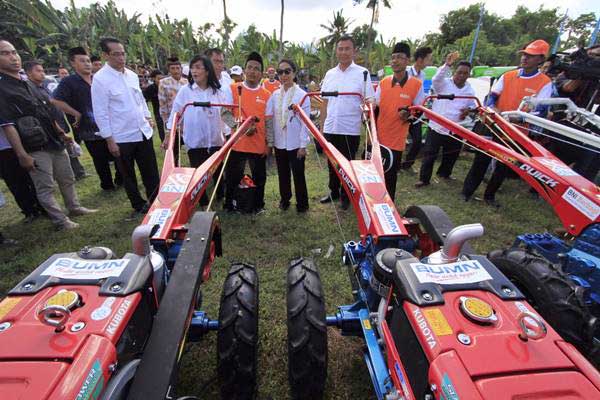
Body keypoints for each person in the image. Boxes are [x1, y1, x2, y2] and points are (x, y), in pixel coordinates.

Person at [0, 40, 97, 230]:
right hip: (33, 146)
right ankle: (60, 220)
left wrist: (62, 133)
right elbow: (8, 125)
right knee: (45, 186)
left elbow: (45, 111)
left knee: (67, 177)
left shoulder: (28, 82)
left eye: (14, 52)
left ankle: (74, 207)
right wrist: (22, 154)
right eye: (5, 53)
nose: (13, 57)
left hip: (54, 140)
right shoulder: (3, 89)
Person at [462, 39, 553, 207]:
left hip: (516, 133)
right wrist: (493, 109)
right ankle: (467, 192)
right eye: (524, 55)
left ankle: (489, 196)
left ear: (540, 59)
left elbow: (541, 110)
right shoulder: (508, 76)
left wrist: (521, 118)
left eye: (530, 56)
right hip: (494, 126)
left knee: (503, 166)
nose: (525, 58)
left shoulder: (545, 83)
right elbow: (492, 97)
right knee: (481, 160)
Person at [91, 37, 160, 215]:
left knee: (150, 171)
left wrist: (147, 116)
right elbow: (100, 112)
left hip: (142, 132)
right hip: (121, 137)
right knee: (128, 174)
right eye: (116, 54)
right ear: (105, 55)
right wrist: (109, 139)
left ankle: (156, 200)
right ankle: (138, 204)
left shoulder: (132, 75)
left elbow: (140, 100)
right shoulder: (100, 80)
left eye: (123, 54)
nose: (121, 58)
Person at [53, 46, 122, 191]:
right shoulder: (69, 82)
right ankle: (107, 184)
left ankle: (120, 179)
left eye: (88, 61)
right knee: (100, 158)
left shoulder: (98, 79)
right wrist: (75, 113)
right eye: (82, 61)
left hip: (110, 124)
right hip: (89, 129)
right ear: (73, 63)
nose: (87, 64)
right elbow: (55, 101)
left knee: (117, 154)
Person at [319, 35, 375, 210]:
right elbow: (325, 102)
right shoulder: (330, 74)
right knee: (332, 163)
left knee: (348, 163)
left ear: (354, 51)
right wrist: (321, 127)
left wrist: (369, 128)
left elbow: (370, 102)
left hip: (350, 128)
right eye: (340, 48)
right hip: (330, 127)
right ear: (336, 51)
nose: (343, 52)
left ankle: (346, 195)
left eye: (347, 48)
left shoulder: (362, 73)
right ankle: (333, 191)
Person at [164, 55, 228, 205]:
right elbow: (176, 112)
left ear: (207, 71)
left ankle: (220, 195)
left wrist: (230, 130)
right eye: (192, 67)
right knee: (198, 172)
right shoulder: (186, 91)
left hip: (215, 139)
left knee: (217, 170)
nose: (194, 71)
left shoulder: (217, 92)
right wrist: (169, 132)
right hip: (195, 141)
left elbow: (226, 113)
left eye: (198, 67)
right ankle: (202, 200)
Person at [415, 54, 476, 188]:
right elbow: (436, 78)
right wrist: (447, 64)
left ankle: (444, 173)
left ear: (468, 75)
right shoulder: (443, 84)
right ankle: (424, 179)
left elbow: (473, 105)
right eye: (459, 72)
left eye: (465, 73)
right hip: (437, 126)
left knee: (452, 154)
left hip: (456, 127)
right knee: (430, 155)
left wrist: (469, 110)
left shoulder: (469, 89)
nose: (461, 75)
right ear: (454, 72)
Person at [375, 42, 425, 200]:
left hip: (396, 141)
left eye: (400, 58)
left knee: (390, 175)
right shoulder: (383, 83)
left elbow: (420, 112)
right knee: (374, 172)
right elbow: (375, 107)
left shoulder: (416, 85)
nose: (395, 61)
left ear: (407, 61)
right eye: (393, 58)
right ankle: (373, 199)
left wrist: (409, 117)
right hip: (377, 138)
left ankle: (388, 204)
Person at [224, 52, 272, 214]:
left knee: (259, 177)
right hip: (237, 144)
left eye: (256, 69)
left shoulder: (266, 95)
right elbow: (225, 113)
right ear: (244, 70)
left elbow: (269, 121)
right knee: (232, 176)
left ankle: (258, 205)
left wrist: (269, 144)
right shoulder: (233, 89)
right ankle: (230, 204)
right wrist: (240, 128)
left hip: (258, 145)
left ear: (261, 73)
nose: (252, 71)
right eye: (249, 67)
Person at [24, 60, 88, 180]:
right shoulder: (30, 90)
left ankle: (78, 172)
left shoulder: (43, 87)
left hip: (59, 124)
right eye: (38, 71)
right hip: (51, 129)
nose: (42, 74)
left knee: (68, 149)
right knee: (60, 152)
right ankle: (69, 174)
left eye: (43, 70)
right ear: (28, 73)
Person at [266, 59, 310, 212]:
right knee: (283, 174)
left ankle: (302, 204)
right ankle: (285, 199)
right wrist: (270, 142)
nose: (283, 75)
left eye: (287, 71)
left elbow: (306, 123)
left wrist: (303, 145)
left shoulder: (302, 95)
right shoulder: (274, 94)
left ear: (294, 73)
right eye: (280, 72)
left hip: (295, 142)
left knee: (298, 174)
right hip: (279, 142)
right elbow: (270, 118)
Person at [0, 116, 44, 222]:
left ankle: (41, 206)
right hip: (3, 150)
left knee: (31, 177)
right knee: (15, 183)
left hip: (18, 144)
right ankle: (29, 211)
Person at [401, 46, 433, 171]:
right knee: (399, 139)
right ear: (420, 59)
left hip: (416, 112)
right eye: (429, 59)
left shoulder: (423, 75)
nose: (430, 62)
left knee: (418, 141)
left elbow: (419, 93)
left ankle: (407, 164)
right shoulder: (405, 72)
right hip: (404, 111)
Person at [158, 57, 187, 164]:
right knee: (173, 149)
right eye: (173, 68)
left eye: (177, 68)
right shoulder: (163, 83)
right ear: (169, 70)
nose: (175, 70)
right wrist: (167, 125)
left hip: (186, 121)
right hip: (173, 120)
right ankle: (173, 168)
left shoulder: (187, 82)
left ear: (181, 69)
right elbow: (163, 105)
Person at [143, 69, 165, 141]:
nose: (161, 81)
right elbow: (143, 101)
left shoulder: (166, 87)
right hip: (158, 112)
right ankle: (164, 143)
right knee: (161, 128)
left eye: (162, 78)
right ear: (153, 79)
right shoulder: (150, 89)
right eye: (159, 79)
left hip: (168, 111)